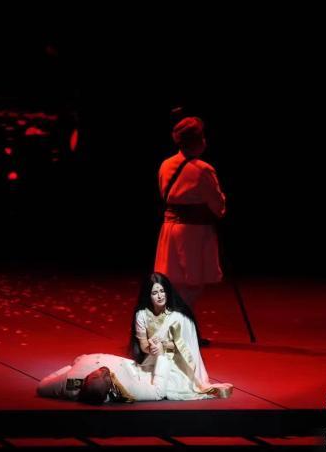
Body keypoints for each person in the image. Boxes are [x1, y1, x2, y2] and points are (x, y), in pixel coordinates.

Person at [154, 116, 226, 310]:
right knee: (191, 283)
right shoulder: (203, 170)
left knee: (176, 282)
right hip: (192, 233)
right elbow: (218, 206)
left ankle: (179, 322)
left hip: (169, 229)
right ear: (196, 140)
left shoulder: (165, 164)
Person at [128, 272, 233, 400]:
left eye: (162, 291)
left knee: (174, 386)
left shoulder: (178, 316)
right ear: (148, 295)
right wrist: (151, 349)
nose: (160, 296)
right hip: (152, 360)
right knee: (143, 381)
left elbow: (184, 347)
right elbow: (143, 345)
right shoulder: (142, 315)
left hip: (176, 360)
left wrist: (163, 347)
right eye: (154, 293)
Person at [36, 353, 172, 403]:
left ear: (86, 379)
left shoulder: (73, 383)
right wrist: (162, 357)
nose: (103, 371)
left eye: (96, 375)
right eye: (105, 378)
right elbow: (158, 392)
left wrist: (70, 367)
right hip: (141, 362)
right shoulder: (128, 387)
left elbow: (42, 386)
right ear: (109, 388)